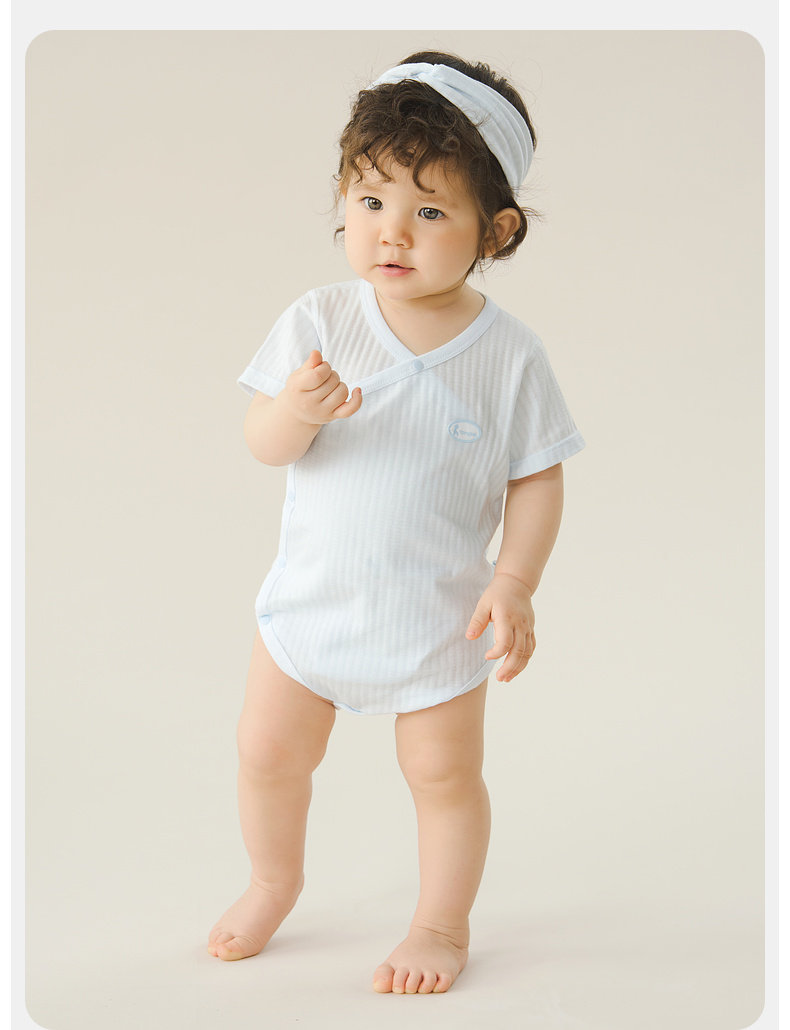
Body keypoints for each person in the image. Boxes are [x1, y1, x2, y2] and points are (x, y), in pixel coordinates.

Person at [207, 50, 585, 994]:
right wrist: (294, 412)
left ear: (495, 230)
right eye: (371, 200)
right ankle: (272, 881)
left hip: (437, 616)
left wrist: (514, 581)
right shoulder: (321, 321)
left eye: (430, 212)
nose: (392, 233)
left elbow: (538, 476)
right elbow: (263, 444)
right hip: (313, 604)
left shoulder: (509, 356)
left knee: (444, 777)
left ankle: (440, 925)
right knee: (266, 752)